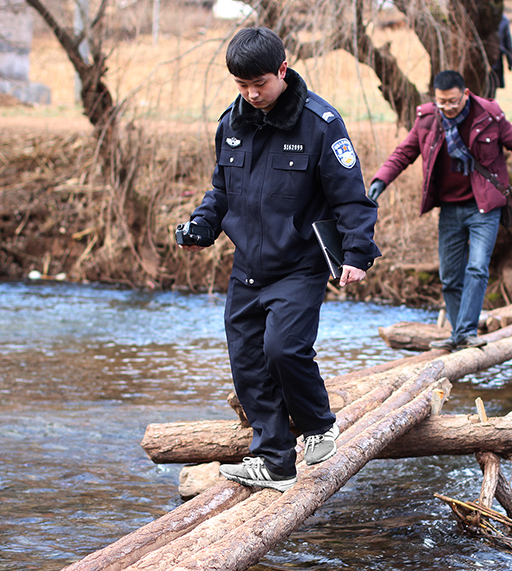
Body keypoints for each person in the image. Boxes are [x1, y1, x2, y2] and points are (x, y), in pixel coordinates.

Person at [179, 27, 381, 491]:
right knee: (247, 361)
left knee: (283, 349)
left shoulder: (321, 124)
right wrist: (201, 228)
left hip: (300, 265)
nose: (252, 95)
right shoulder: (230, 125)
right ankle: (273, 460)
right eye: (241, 85)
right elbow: (222, 192)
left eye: (260, 84)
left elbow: (351, 197)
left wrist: (357, 253)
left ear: (283, 71)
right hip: (248, 266)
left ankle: (318, 425)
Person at [368, 70, 512, 352]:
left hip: (484, 207)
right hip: (450, 209)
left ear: (466, 94)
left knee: (477, 267)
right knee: (450, 275)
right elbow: (404, 153)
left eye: (453, 101)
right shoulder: (429, 119)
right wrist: (380, 180)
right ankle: (458, 332)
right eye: (442, 102)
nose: (448, 107)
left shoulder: (488, 116)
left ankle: (466, 332)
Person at [486, 14, 512, 100]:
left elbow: (507, 43)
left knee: (490, 95)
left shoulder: (503, 20)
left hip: (495, 64)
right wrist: (511, 61)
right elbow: (508, 43)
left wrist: (510, 61)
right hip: (488, 64)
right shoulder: (502, 19)